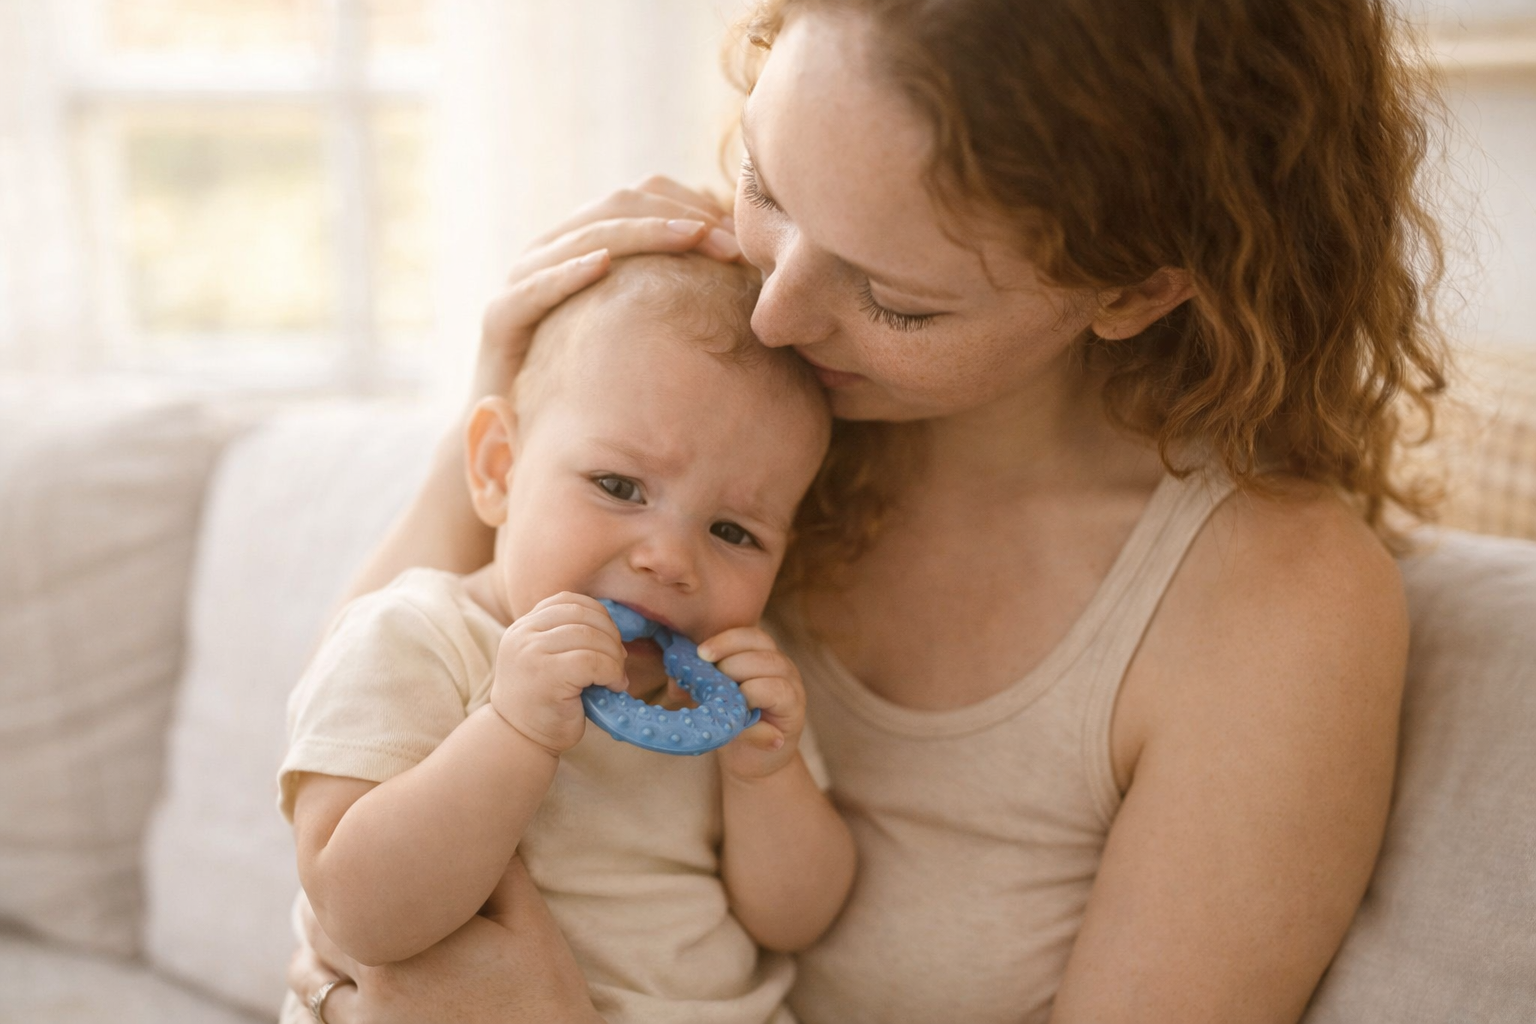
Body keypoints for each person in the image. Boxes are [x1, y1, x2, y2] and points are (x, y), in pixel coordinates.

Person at [288, 0, 1449, 1020]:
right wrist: (509, 388)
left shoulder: (1273, 606)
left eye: (896, 303)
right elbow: (349, 757)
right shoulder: (724, 409)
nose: (773, 316)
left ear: (1135, 289)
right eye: (765, 182)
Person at [277, 255, 853, 1024]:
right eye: (620, 488)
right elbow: (358, 915)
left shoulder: (729, 689)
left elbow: (796, 921)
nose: (670, 559)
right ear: (498, 468)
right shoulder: (413, 636)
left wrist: (765, 776)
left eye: (733, 531)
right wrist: (512, 730)